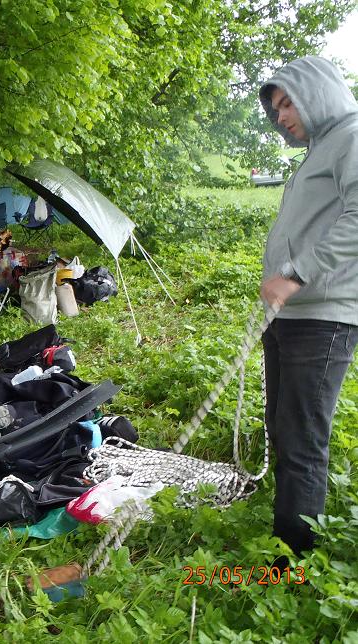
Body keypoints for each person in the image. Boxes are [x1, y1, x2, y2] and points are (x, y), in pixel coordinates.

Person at [257, 56, 358, 560]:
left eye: (288, 102)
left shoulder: (354, 136)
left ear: (317, 92)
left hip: (324, 316)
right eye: (276, 109)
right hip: (293, 315)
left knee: (301, 439)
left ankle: (292, 562)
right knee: (281, 424)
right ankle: (288, 520)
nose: (281, 117)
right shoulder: (320, 150)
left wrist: (294, 274)